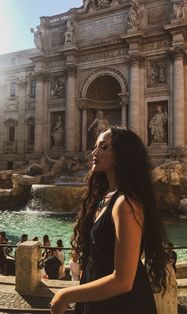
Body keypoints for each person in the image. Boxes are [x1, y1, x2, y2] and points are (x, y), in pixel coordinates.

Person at [50, 126, 167, 314]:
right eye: (95, 146)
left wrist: (67, 295)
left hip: (121, 305)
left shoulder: (125, 204)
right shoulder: (104, 195)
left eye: (104, 148)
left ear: (122, 155)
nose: (94, 152)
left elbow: (123, 280)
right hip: (98, 295)